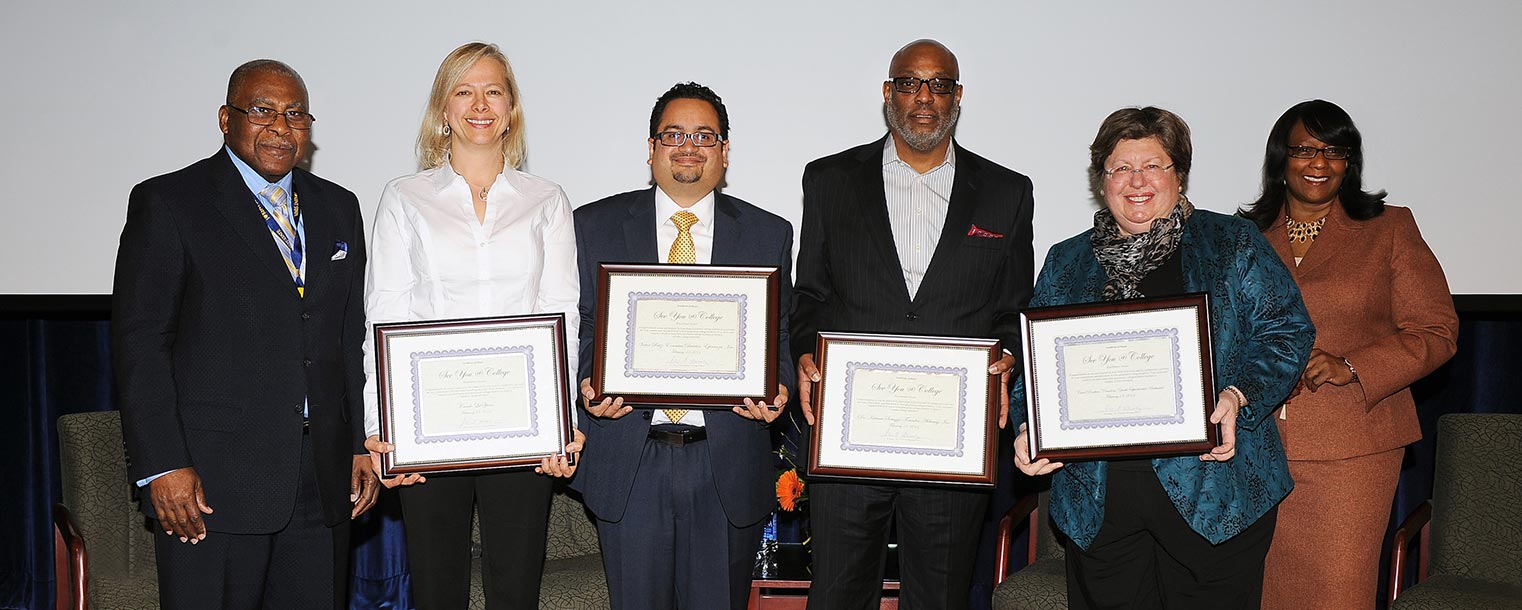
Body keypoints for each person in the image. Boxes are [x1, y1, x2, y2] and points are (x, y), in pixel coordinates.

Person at [1010, 106, 1313, 610]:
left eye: (1153, 166)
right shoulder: (1067, 260)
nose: (1136, 181)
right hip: (1099, 508)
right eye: (1120, 168)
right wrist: (1029, 426)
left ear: (1179, 175)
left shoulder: (1230, 243)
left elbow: (1286, 331)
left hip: (1215, 498)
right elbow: (1034, 366)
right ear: (1101, 180)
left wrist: (1239, 396)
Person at [112, 59, 378, 609]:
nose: (281, 127)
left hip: (321, 481)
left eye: (295, 115)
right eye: (262, 111)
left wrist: (357, 446)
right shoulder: (169, 202)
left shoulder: (339, 206)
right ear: (225, 119)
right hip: (210, 485)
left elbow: (347, 338)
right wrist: (163, 464)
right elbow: (142, 344)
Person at [792, 39, 1035, 610]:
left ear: (958, 96)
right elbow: (811, 296)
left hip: (951, 443)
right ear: (887, 93)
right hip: (851, 436)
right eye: (909, 82)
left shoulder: (1007, 191)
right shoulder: (828, 180)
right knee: (836, 596)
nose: (924, 97)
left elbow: (1011, 311)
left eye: (939, 84)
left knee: (940, 599)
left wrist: (1005, 356)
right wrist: (805, 349)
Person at [359, 42, 583, 610]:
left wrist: (563, 425)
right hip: (427, 426)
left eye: (493, 91)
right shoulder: (403, 198)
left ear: (511, 108)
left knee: (515, 591)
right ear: (442, 108)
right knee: (437, 591)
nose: (479, 104)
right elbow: (383, 315)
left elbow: (563, 315)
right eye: (463, 90)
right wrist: (381, 430)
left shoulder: (547, 200)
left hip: (524, 427)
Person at [571, 82, 794, 610]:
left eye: (704, 135)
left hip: (726, 464)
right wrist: (589, 378)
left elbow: (779, 332)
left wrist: (779, 386)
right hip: (631, 457)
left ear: (724, 152)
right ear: (651, 149)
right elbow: (582, 323)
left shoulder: (769, 233)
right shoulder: (594, 225)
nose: (688, 145)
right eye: (673, 134)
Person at [1241, 100, 1458, 610]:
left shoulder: (1389, 228)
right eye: (1305, 150)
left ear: (1349, 162)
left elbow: (1437, 330)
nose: (1320, 163)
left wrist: (1352, 364)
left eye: (1335, 151)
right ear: (1281, 159)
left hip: (1354, 450)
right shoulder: (1243, 237)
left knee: (1339, 594)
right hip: (1258, 450)